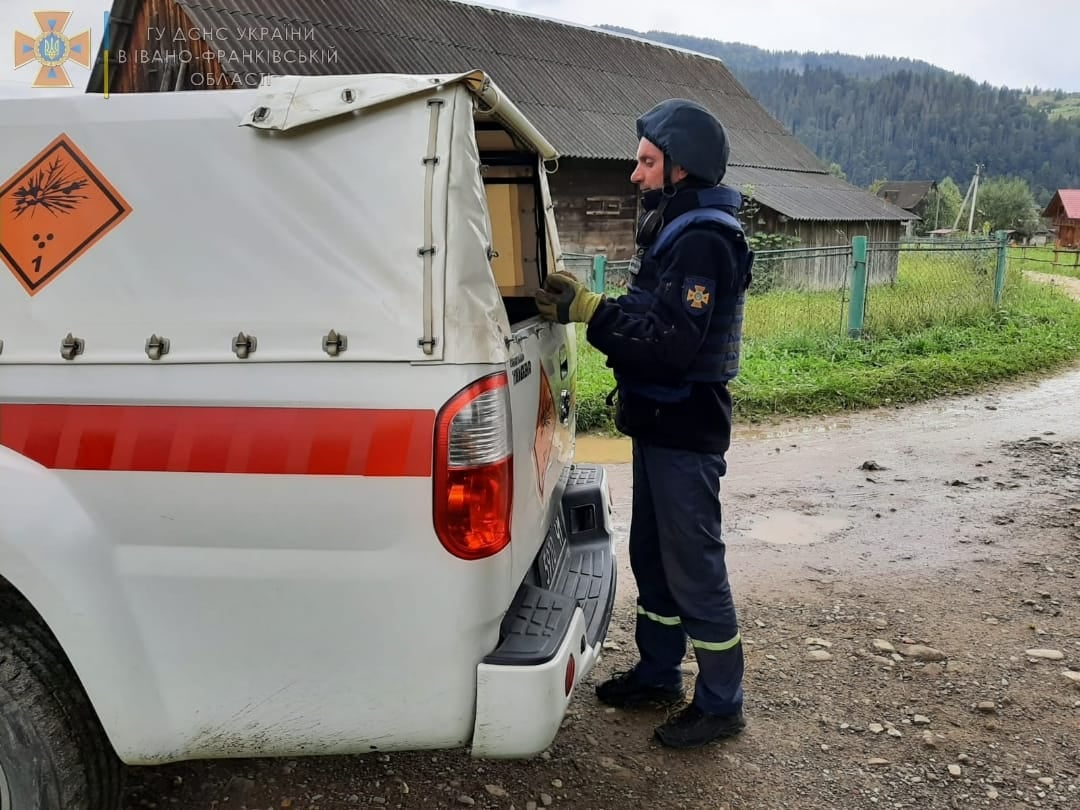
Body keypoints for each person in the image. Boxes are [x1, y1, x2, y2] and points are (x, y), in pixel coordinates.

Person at [534, 98, 754, 750]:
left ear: (680, 168)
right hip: (660, 423)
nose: (635, 175)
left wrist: (590, 310)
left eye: (646, 162)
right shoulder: (672, 232)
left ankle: (722, 703)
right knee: (653, 557)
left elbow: (670, 346)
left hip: (686, 426)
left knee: (694, 565)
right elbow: (645, 311)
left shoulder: (706, 240)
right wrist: (599, 308)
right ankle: (660, 672)